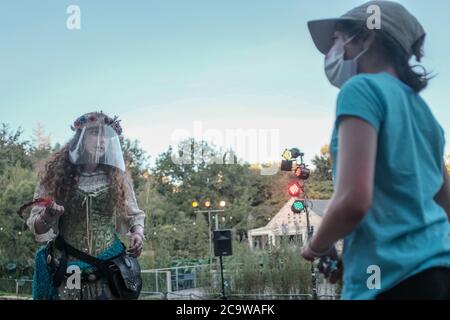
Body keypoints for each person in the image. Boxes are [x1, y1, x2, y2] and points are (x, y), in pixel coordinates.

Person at [302, 1, 450, 300]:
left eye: (337, 40)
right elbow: (446, 205)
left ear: (367, 37)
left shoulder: (361, 90)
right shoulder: (425, 114)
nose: (334, 53)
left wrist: (317, 247)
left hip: (389, 281)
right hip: (439, 272)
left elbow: (353, 201)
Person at [26, 111, 146, 300]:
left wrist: (138, 233)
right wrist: (48, 215)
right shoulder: (55, 176)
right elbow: (38, 227)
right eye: (94, 134)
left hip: (109, 267)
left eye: (105, 136)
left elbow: (133, 214)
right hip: (67, 267)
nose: (101, 141)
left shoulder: (117, 176)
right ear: (80, 138)